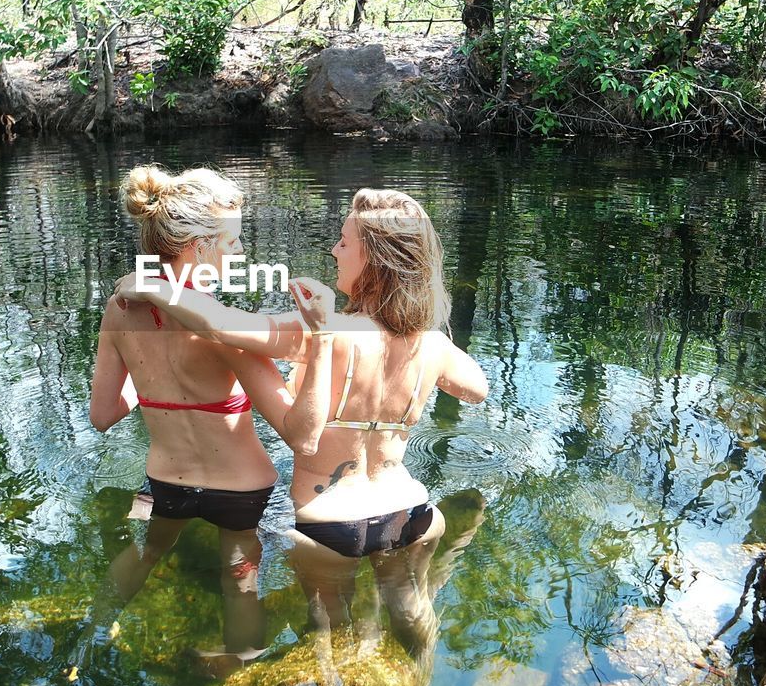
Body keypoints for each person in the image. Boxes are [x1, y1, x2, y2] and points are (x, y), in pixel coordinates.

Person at [113, 188, 488, 654]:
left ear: (375, 259)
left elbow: (218, 324)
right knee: (411, 613)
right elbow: (476, 389)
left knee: (327, 646)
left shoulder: (325, 330)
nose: (334, 249)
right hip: (412, 514)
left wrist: (148, 283)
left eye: (345, 242)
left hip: (331, 524)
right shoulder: (429, 343)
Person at [89, 164, 332, 665]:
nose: (240, 255)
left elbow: (103, 414)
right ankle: (240, 668)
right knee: (240, 577)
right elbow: (297, 434)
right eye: (234, 243)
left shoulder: (119, 309)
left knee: (150, 552)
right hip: (240, 492)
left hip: (167, 482)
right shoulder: (227, 331)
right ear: (200, 247)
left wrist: (153, 387)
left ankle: (93, 632)